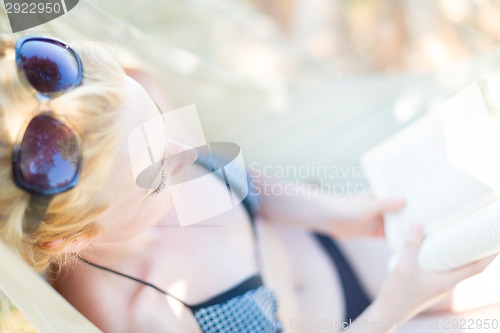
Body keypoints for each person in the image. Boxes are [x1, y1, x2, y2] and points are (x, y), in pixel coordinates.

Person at [0, 33, 495, 333]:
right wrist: (392, 308)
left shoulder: (128, 117)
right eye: (153, 176)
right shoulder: (143, 316)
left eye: (157, 124)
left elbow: (237, 187)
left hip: (333, 249)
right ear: (75, 237)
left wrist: (334, 213)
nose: (181, 152)